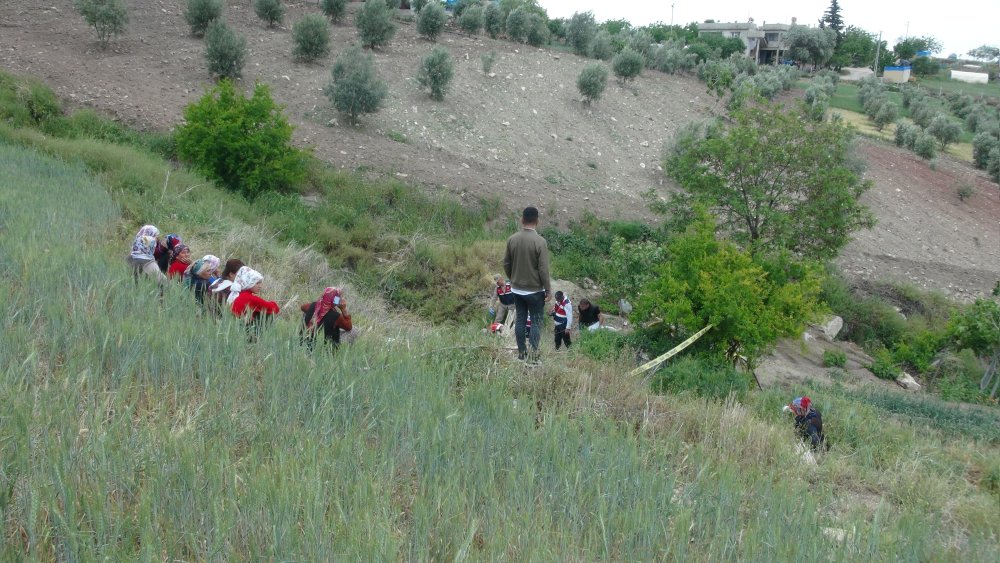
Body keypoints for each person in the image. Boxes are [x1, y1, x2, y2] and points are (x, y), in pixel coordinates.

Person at [503, 206, 551, 363]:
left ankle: (522, 353)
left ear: (522, 219)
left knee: (521, 319)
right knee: (536, 321)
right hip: (535, 291)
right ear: (537, 221)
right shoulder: (540, 242)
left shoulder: (512, 239)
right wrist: (548, 289)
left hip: (517, 289)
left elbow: (506, 264)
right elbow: (543, 270)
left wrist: (513, 278)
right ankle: (533, 355)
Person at [228, 266, 280, 339]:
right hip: (244, 332)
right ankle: (257, 339)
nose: (260, 286)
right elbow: (274, 309)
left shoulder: (237, 294)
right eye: (257, 283)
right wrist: (273, 303)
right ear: (249, 282)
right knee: (269, 315)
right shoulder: (250, 298)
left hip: (233, 330)